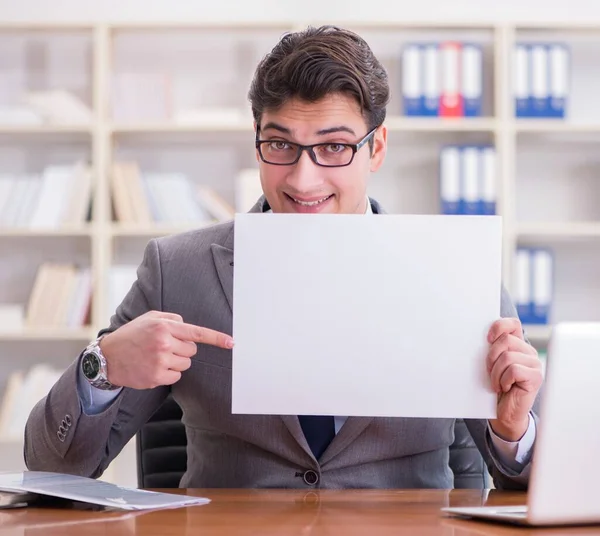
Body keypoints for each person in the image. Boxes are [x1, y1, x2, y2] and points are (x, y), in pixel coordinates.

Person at [24, 25, 543, 489]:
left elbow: (531, 486)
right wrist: (103, 366)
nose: (302, 178)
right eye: (280, 145)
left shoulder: (453, 272)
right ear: (256, 145)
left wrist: (515, 430)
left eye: (334, 147)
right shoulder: (177, 270)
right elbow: (52, 469)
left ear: (377, 148)